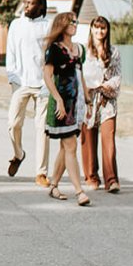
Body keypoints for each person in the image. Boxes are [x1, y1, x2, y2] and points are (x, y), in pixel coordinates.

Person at [43, 12, 91, 206]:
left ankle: (53, 184)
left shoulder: (79, 49)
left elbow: (80, 74)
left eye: (76, 22)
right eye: (71, 22)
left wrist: (87, 97)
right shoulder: (54, 49)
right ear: (62, 25)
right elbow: (47, 76)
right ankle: (79, 191)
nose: (75, 25)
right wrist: (58, 100)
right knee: (70, 146)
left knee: (65, 147)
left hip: (76, 103)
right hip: (61, 103)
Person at [6, 0, 52, 186]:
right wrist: (13, 77)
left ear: (40, 6)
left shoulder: (48, 26)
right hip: (21, 83)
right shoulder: (16, 25)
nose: (27, 6)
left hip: (43, 84)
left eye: (31, 3)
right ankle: (18, 154)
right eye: (25, 2)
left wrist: (48, 83)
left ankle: (41, 172)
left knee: (42, 128)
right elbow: (11, 52)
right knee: (13, 124)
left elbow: (52, 55)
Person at [80, 16, 122, 193]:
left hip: (106, 100)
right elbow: (79, 74)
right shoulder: (83, 51)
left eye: (103, 28)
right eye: (96, 28)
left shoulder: (113, 52)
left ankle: (111, 179)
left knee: (108, 139)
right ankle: (91, 176)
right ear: (91, 29)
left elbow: (117, 76)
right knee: (88, 139)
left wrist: (105, 86)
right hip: (88, 99)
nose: (99, 32)